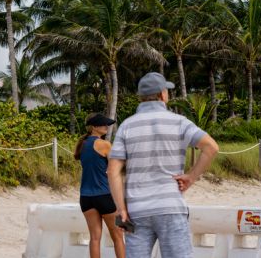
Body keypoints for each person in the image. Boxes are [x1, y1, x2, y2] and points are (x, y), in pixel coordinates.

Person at [107, 72, 219, 258]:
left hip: (137, 210)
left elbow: (113, 170)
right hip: (170, 207)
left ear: (141, 97)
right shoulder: (179, 122)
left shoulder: (127, 126)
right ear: (162, 95)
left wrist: (121, 209)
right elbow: (211, 148)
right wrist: (191, 177)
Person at [73, 113, 125, 258]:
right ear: (94, 127)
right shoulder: (105, 145)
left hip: (86, 198)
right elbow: (116, 169)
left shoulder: (82, 144)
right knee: (118, 236)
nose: (107, 126)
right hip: (104, 196)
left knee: (95, 238)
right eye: (103, 124)